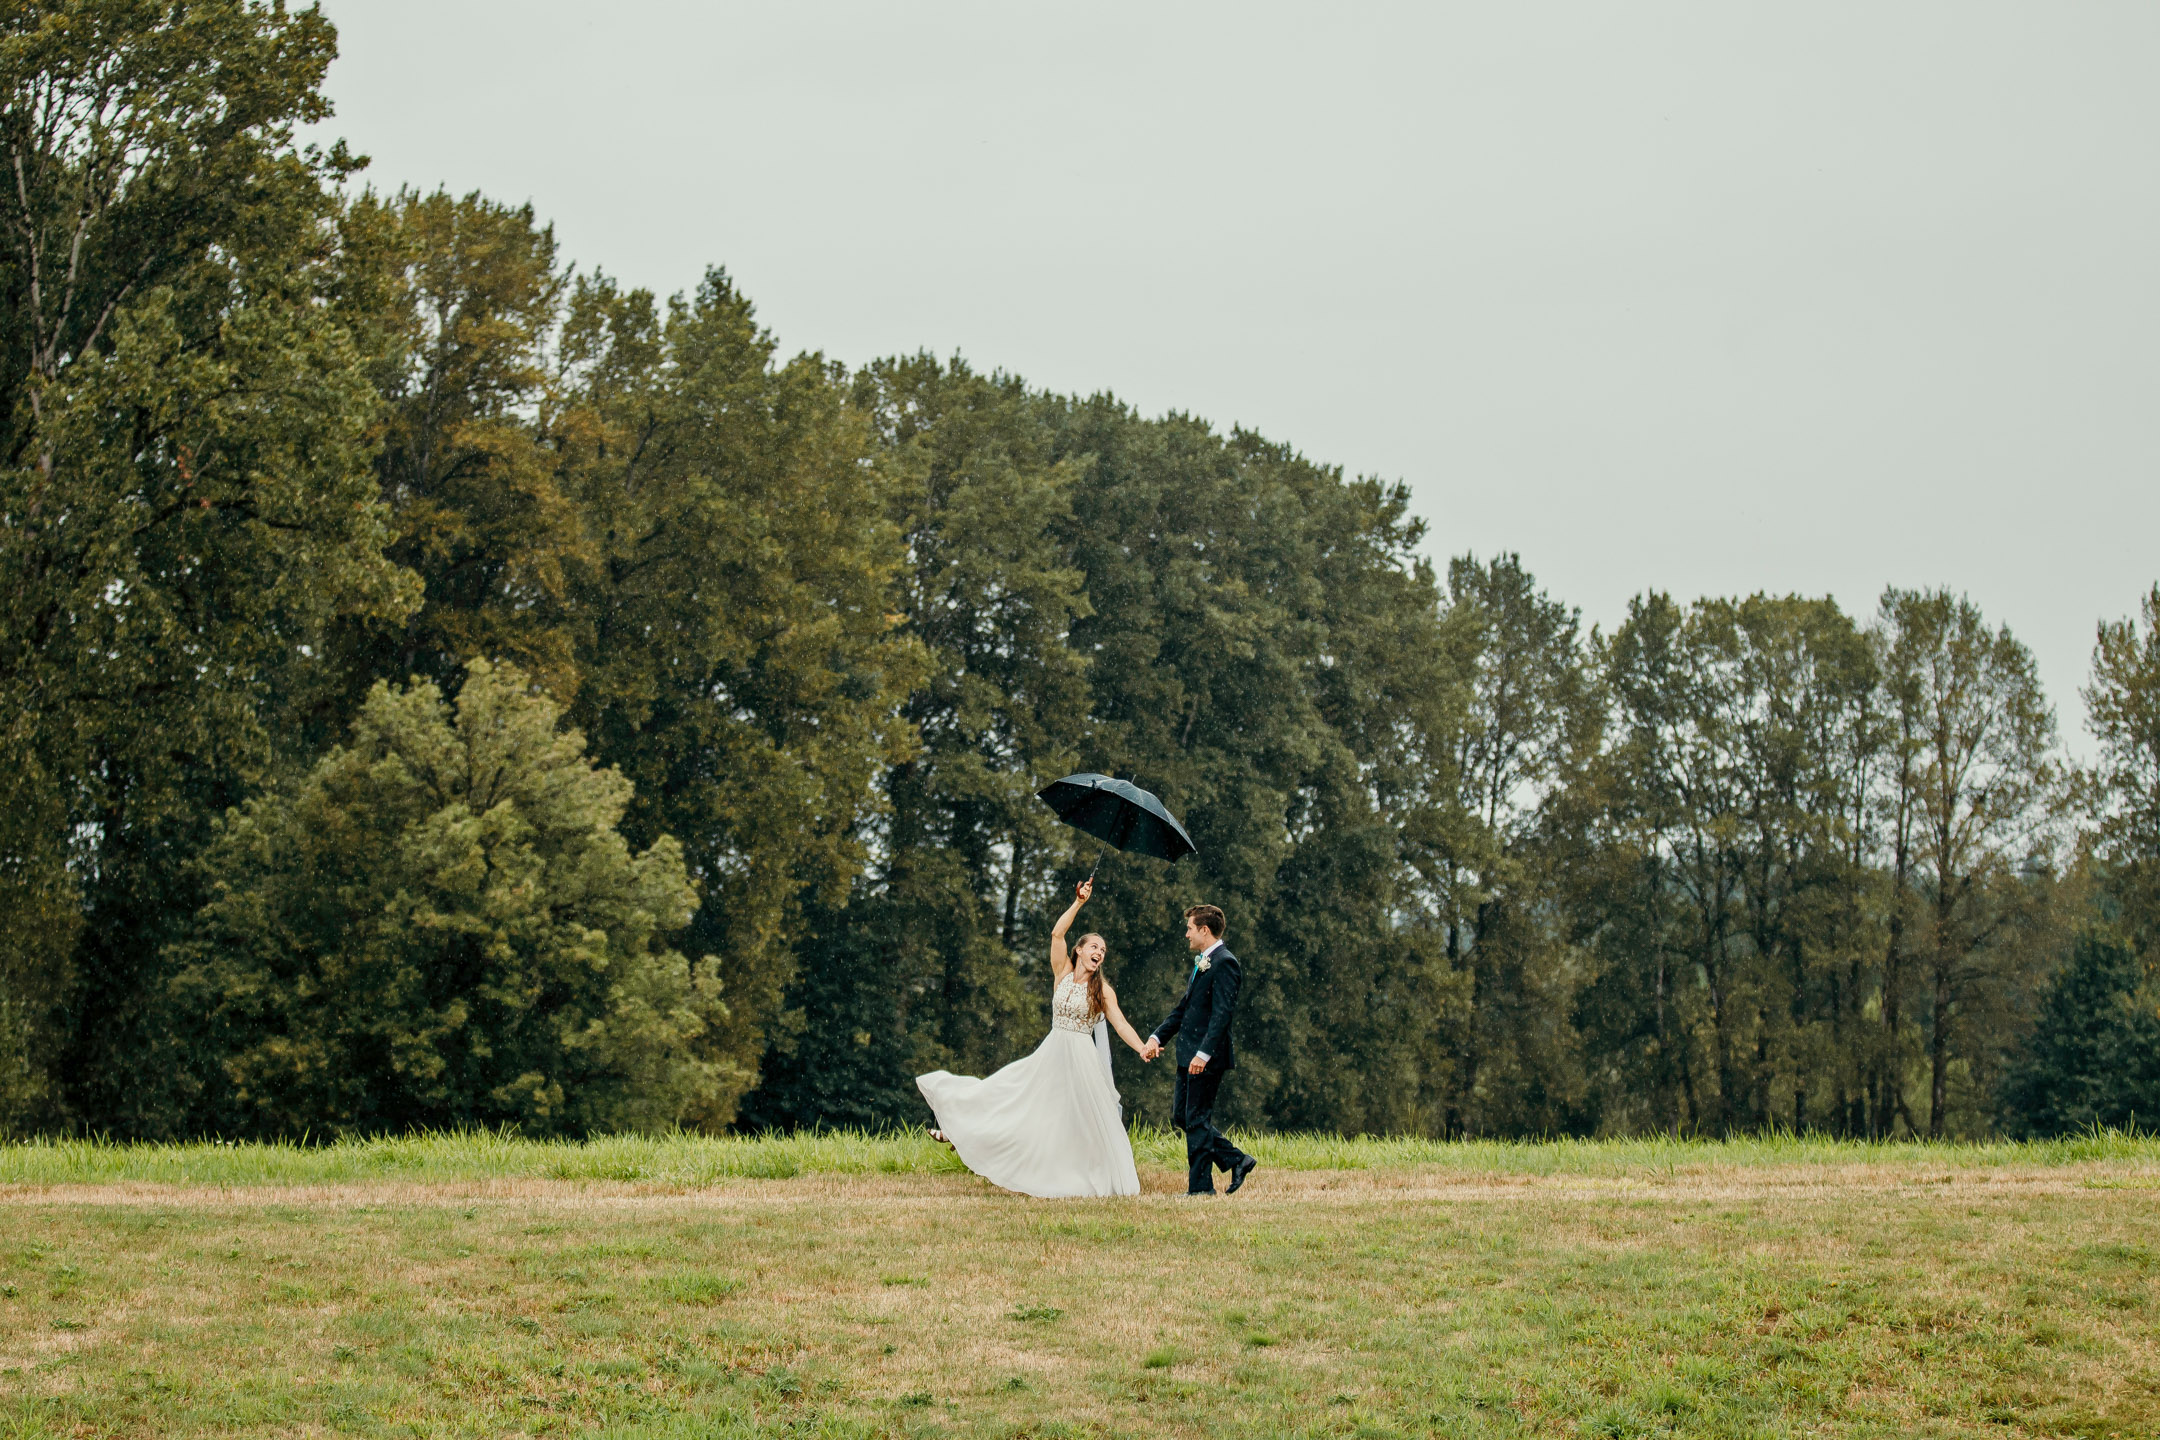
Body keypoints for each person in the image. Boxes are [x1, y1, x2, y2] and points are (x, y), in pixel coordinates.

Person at [916, 878, 1150, 1197]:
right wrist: (1079, 902)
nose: (1100, 952)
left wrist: (1142, 1047)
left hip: (1081, 1062)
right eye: (1094, 946)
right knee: (1009, 1094)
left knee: (1081, 1122)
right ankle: (963, 1132)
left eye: (1104, 950)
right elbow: (1057, 934)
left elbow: (1120, 1024)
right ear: (1079, 950)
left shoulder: (1103, 990)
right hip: (1052, 1054)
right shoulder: (1062, 974)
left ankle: (1087, 1176)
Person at [1142, 904, 1257, 1196]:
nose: (1186, 934)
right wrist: (1157, 1037)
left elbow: (1222, 1015)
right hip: (1187, 1054)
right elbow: (1184, 1009)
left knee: (1196, 1119)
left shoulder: (1225, 962)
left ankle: (1201, 1189)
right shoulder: (1203, 962)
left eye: (1190, 928)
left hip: (1206, 1058)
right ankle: (1235, 1159)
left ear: (1204, 930)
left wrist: (1203, 1055)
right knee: (1183, 1117)